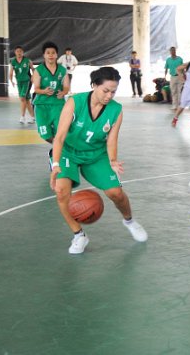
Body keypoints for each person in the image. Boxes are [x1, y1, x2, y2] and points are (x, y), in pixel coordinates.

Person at [50, 66, 147, 254]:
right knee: (62, 191)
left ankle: (130, 221)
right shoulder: (74, 102)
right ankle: (79, 235)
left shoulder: (116, 110)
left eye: (113, 91)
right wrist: (55, 164)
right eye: (106, 90)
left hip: (96, 154)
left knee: (116, 193)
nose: (109, 95)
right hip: (68, 152)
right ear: (94, 85)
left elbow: (112, 139)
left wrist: (112, 160)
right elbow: (60, 137)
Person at [32, 41, 70, 144]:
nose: (51, 55)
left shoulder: (63, 70)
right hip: (42, 105)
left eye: (53, 52)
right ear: (44, 55)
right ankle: (57, 149)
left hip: (58, 104)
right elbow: (36, 89)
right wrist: (43, 91)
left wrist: (63, 92)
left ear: (57, 55)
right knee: (45, 134)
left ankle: (59, 152)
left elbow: (67, 87)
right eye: (48, 53)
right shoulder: (38, 70)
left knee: (61, 132)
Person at [9, 45, 35, 124]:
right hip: (19, 82)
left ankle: (22, 117)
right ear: (15, 52)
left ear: (23, 52)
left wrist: (33, 77)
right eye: (17, 51)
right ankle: (32, 117)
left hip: (27, 81)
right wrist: (11, 81)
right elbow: (11, 72)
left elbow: (33, 70)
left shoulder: (27, 61)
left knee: (22, 98)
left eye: (20, 51)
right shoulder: (13, 61)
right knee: (26, 100)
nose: (19, 53)